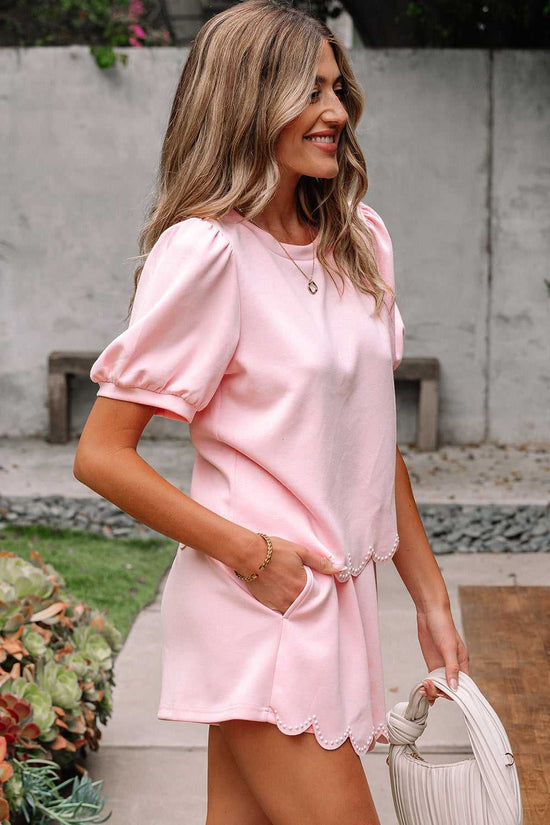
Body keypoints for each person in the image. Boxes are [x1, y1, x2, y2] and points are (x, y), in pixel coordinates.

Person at [74, 1, 469, 822]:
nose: (336, 112)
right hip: (260, 606)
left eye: (336, 88)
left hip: (327, 603)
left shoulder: (359, 240)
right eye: (310, 91)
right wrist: (252, 555)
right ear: (248, 101)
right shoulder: (209, 252)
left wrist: (429, 596)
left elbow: (369, 442)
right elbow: (102, 454)